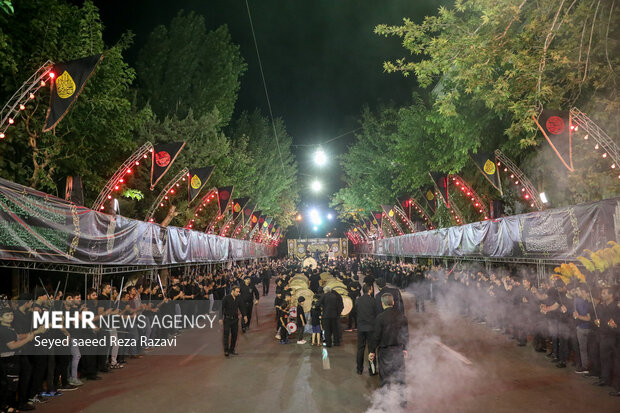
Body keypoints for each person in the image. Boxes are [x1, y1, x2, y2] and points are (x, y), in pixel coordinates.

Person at [368, 293, 409, 405]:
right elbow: (405, 334)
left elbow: (376, 336)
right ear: (393, 302)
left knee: (385, 378)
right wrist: (405, 348)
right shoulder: (402, 316)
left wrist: (372, 351)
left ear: (382, 304)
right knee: (400, 377)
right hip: (398, 351)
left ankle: (385, 403)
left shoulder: (380, 318)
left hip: (385, 352)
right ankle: (403, 402)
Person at [219, 285, 247, 357]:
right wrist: (220, 318)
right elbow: (221, 308)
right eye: (237, 291)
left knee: (234, 335)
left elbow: (242, 307)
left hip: (235, 319)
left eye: (239, 292)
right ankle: (226, 350)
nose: (238, 293)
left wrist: (245, 316)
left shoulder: (238, 298)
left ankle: (232, 349)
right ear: (233, 291)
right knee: (226, 335)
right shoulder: (226, 298)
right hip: (227, 319)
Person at [356, 284, 377, 375]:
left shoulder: (357, 301)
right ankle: (372, 370)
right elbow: (376, 313)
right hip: (371, 328)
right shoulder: (373, 301)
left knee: (360, 348)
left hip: (361, 327)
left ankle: (359, 369)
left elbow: (355, 312)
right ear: (370, 290)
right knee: (371, 349)